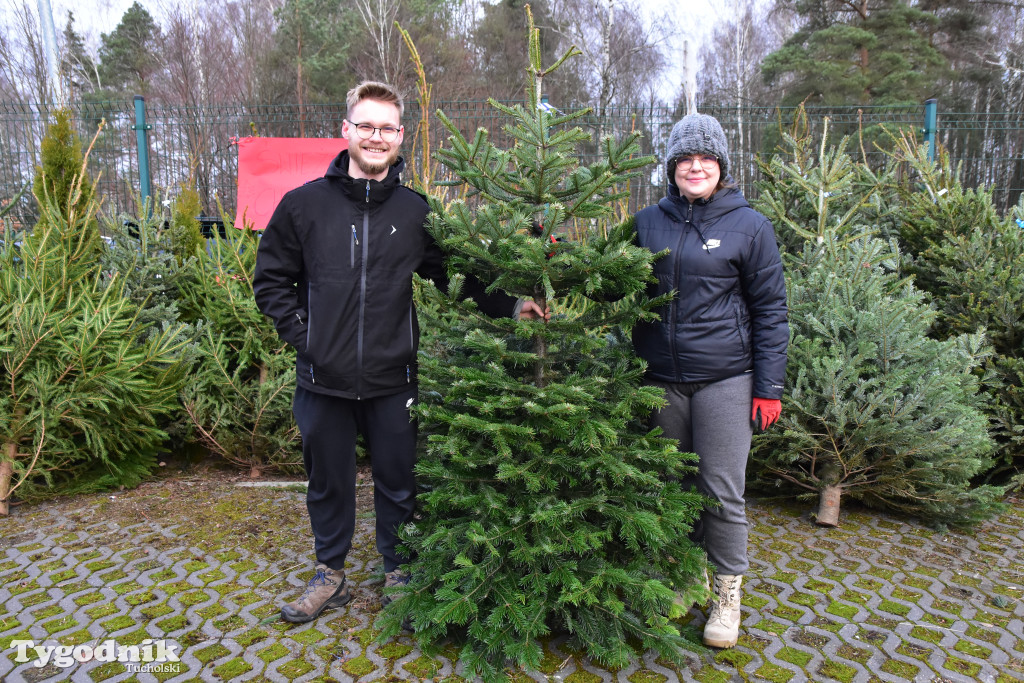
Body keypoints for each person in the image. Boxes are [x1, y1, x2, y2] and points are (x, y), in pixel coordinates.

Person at [253, 81, 546, 624]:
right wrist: (306, 339)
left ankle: (398, 571)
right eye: (366, 125)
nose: (375, 136)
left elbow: (453, 274)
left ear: (400, 136)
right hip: (323, 380)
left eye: (387, 128)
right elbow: (271, 280)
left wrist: (511, 305)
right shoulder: (303, 206)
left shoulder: (415, 212)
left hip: (394, 380)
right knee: (328, 480)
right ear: (346, 131)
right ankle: (330, 574)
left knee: (398, 479)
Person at [631, 113, 789, 648]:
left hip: (726, 378)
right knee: (670, 488)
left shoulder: (750, 226)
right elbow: (609, 280)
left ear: (721, 166)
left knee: (721, 493)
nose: (695, 166)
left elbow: (771, 311)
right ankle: (683, 577)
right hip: (660, 378)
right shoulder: (646, 222)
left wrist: (769, 387)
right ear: (671, 166)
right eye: (684, 158)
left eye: (706, 158)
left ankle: (727, 594)